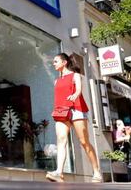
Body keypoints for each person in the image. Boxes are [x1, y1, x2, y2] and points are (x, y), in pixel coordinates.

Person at [45, 53, 102, 183]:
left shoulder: (75, 75)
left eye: (56, 61)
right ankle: (59, 172)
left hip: (77, 110)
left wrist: (75, 95)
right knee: (61, 140)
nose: (53, 63)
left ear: (64, 62)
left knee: (84, 142)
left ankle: (96, 171)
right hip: (61, 112)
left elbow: (79, 91)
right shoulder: (56, 80)